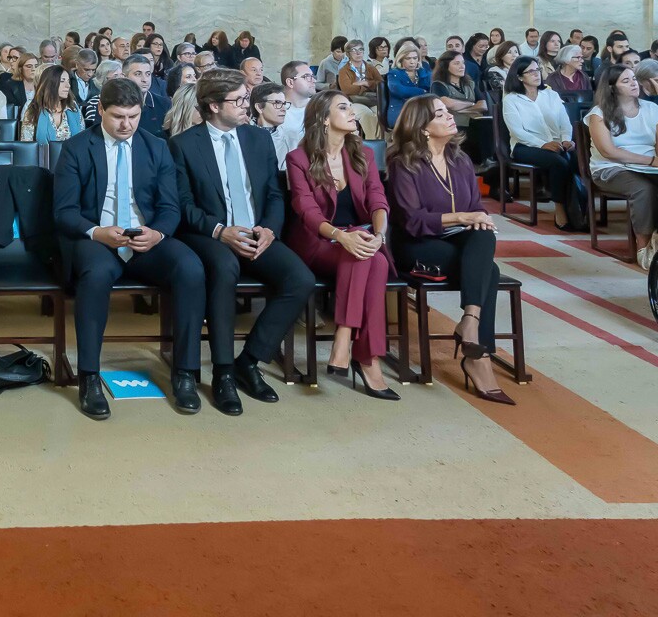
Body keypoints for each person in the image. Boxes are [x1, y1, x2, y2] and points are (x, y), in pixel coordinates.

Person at [53, 77, 206, 420]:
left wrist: (158, 234)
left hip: (144, 238)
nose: (126, 125)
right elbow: (64, 212)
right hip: (97, 238)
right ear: (101, 111)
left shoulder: (156, 147)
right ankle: (89, 377)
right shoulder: (77, 147)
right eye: (118, 117)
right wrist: (97, 232)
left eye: (133, 116)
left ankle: (184, 372)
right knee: (95, 275)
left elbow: (170, 207)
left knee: (190, 268)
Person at [170, 69, 314, 415]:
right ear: (214, 105)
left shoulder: (257, 139)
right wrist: (220, 231)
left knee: (300, 279)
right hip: (211, 235)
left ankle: (248, 361)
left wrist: (270, 229)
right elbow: (183, 206)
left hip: (256, 232)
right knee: (224, 268)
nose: (246, 105)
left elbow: (273, 193)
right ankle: (222, 373)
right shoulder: (184, 145)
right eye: (238, 100)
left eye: (246, 98)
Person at [387, 95, 513, 405]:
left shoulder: (460, 159)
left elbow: (476, 206)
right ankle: (477, 354)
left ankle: (470, 324)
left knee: (483, 234)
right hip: (417, 246)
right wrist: (462, 218)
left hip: (459, 240)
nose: (450, 117)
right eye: (440, 114)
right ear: (423, 127)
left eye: (447, 112)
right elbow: (412, 221)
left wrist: (476, 218)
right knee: (489, 270)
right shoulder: (403, 163)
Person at [286, 91, 398, 400]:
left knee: (374, 259)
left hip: (360, 237)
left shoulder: (364, 153)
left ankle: (347, 339)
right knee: (365, 258)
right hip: (319, 241)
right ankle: (365, 357)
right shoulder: (299, 158)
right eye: (344, 107)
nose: (353, 112)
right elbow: (307, 211)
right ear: (324, 118)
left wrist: (380, 235)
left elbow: (378, 199)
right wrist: (341, 236)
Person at [584, 65, 658, 268]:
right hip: (610, 168)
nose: (634, 83)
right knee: (643, 188)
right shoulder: (599, 114)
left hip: (648, 166)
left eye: (633, 79)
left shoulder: (652, 109)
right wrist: (650, 161)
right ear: (612, 88)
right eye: (626, 81)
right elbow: (609, 152)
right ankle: (643, 247)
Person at [501, 57, 577, 230]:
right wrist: (542, 144)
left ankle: (578, 208)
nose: (537, 74)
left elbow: (564, 121)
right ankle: (560, 209)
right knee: (558, 163)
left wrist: (566, 138)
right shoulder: (512, 99)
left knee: (577, 159)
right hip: (525, 146)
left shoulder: (551, 95)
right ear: (520, 77)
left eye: (538, 70)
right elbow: (517, 131)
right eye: (531, 71)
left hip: (557, 144)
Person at [431, 51, 487, 158]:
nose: (462, 66)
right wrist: (472, 104)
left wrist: (462, 108)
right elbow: (448, 104)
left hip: (474, 122)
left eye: (463, 63)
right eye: (456, 63)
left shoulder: (470, 83)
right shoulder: (438, 85)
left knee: (488, 126)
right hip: (454, 125)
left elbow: (483, 105)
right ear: (445, 66)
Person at [20, 66, 83, 142]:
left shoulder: (73, 107)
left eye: (68, 81)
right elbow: (27, 143)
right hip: (43, 150)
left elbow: (82, 139)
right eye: (62, 81)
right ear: (50, 84)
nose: (68, 85)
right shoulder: (34, 109)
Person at [273, 60, 317, 168]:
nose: (314, 80)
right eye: (307, 77)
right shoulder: (275, 110)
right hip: (284, 171)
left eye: (313, 76)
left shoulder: (320, 108)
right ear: (290, 82)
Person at [122, 53, 170, 138]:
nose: (145, 79)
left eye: (148, 74)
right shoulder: (113, 103)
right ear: (124, 77)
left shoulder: (164, 104)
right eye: (138, 74)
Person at [386, 41, 432, 129]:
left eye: (415, 58)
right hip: (400, 112)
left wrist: (421, 71)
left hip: (421, 111)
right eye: (408, 58)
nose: (412, 62)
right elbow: (399, 90)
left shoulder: (423, 72)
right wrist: (423, 92)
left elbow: (430, 89)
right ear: (401, 59)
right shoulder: (394, 73)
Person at [81, 60, 122, 127]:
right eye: (116, 76)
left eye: (122, 75)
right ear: (104, 80)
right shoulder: (94, 102)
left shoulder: (128, 100)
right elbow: (92, 128)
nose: (121, 79)